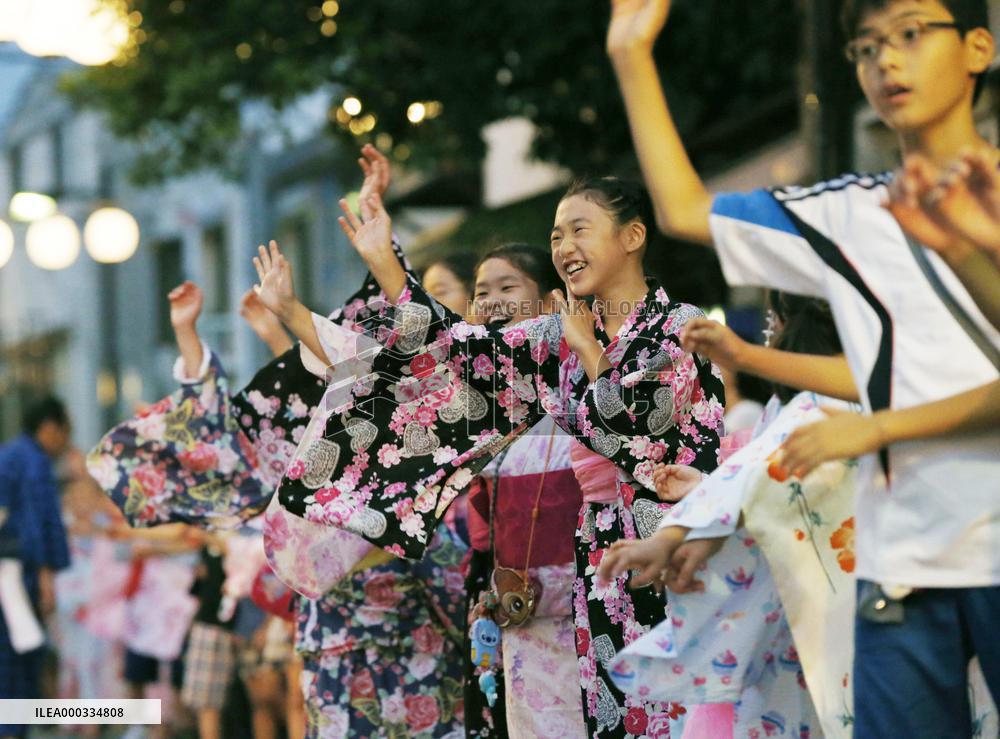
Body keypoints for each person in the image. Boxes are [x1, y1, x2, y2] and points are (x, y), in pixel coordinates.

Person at [606, 1, 1000, 734]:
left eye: (910, 33)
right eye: (865, 45)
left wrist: (875, 428)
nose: (885, 59)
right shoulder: (851, 212)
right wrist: (632, 57)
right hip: (903, 560)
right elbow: (688, 209)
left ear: (979, 45)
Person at [293, 175, 723, 737]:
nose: (564, 247)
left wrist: (586, 348)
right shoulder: (560, 333)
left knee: (686, 715)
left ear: (633, 236)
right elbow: (459, 348)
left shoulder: (679, 327)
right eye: (555, 236)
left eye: (579, 230)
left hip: (676, 548)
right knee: (611, 717)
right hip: (599, 558)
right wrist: (389, 268)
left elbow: (632, 423)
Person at [462, 243, 587, 738]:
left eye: (507, 287)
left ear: (550, 302)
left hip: (587, 611)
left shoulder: (580, 381)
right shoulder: (483, 403)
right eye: (481, 293)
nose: (491, 301)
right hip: (521, 615)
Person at [0, 397, 72, 739]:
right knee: (20, 654)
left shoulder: (11, 456)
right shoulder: (32, 462)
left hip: (11, 571)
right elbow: (35, 524)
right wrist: (46, 575)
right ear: (49, 427)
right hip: (16, 576)